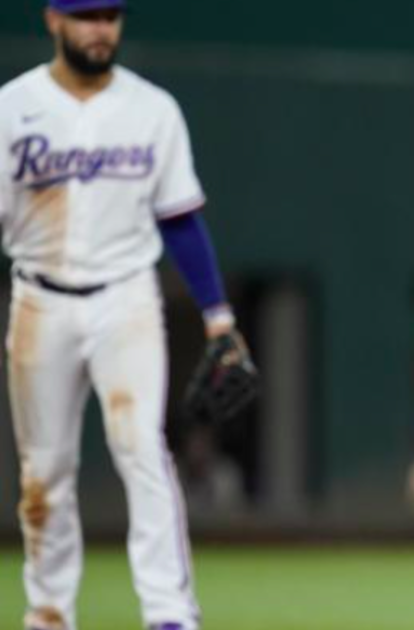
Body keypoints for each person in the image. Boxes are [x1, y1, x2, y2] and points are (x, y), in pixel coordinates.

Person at [0, 1, 254, 628]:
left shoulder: (152, 108)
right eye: (86, 15)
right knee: (45, 471)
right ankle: (49, 609)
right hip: (39, 298)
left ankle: (170, 614)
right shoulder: (12, 107)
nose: (100, 29)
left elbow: (181, 220)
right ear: (54, 20)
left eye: (110, 15)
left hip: (126, 298)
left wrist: (217, 314)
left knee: (143, 450)